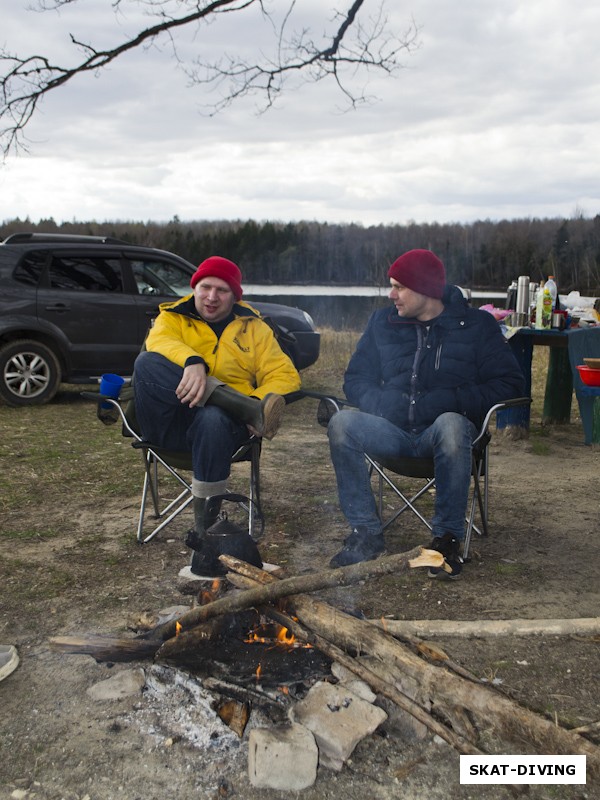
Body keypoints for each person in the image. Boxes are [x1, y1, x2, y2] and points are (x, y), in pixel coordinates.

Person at [327, 249, 525, 578]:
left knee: (449, 423)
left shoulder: (475, 326)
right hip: (392, 434)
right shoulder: (383, 323)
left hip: (448, 441)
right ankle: (366, 535)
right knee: (341, 423)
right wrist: (380, 404)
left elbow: (510, 384)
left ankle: (446, 541)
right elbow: (356, 379)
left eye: (399, 287)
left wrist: (453, 401)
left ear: (425, 289)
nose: (392, 295)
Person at [133, 256, 301, 553]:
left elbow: (285, 375)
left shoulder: (255, 329)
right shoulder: (171, 318)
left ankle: (205, 530)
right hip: (170, 424)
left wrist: (256, 399)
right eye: (205, 287)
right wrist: (192, 361)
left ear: (235, 296)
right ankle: (243, 409)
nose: (211, 297)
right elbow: (159, 344)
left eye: (221, 290)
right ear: (194, 288)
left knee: (212, 416)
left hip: (221, 433)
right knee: (147, 361)